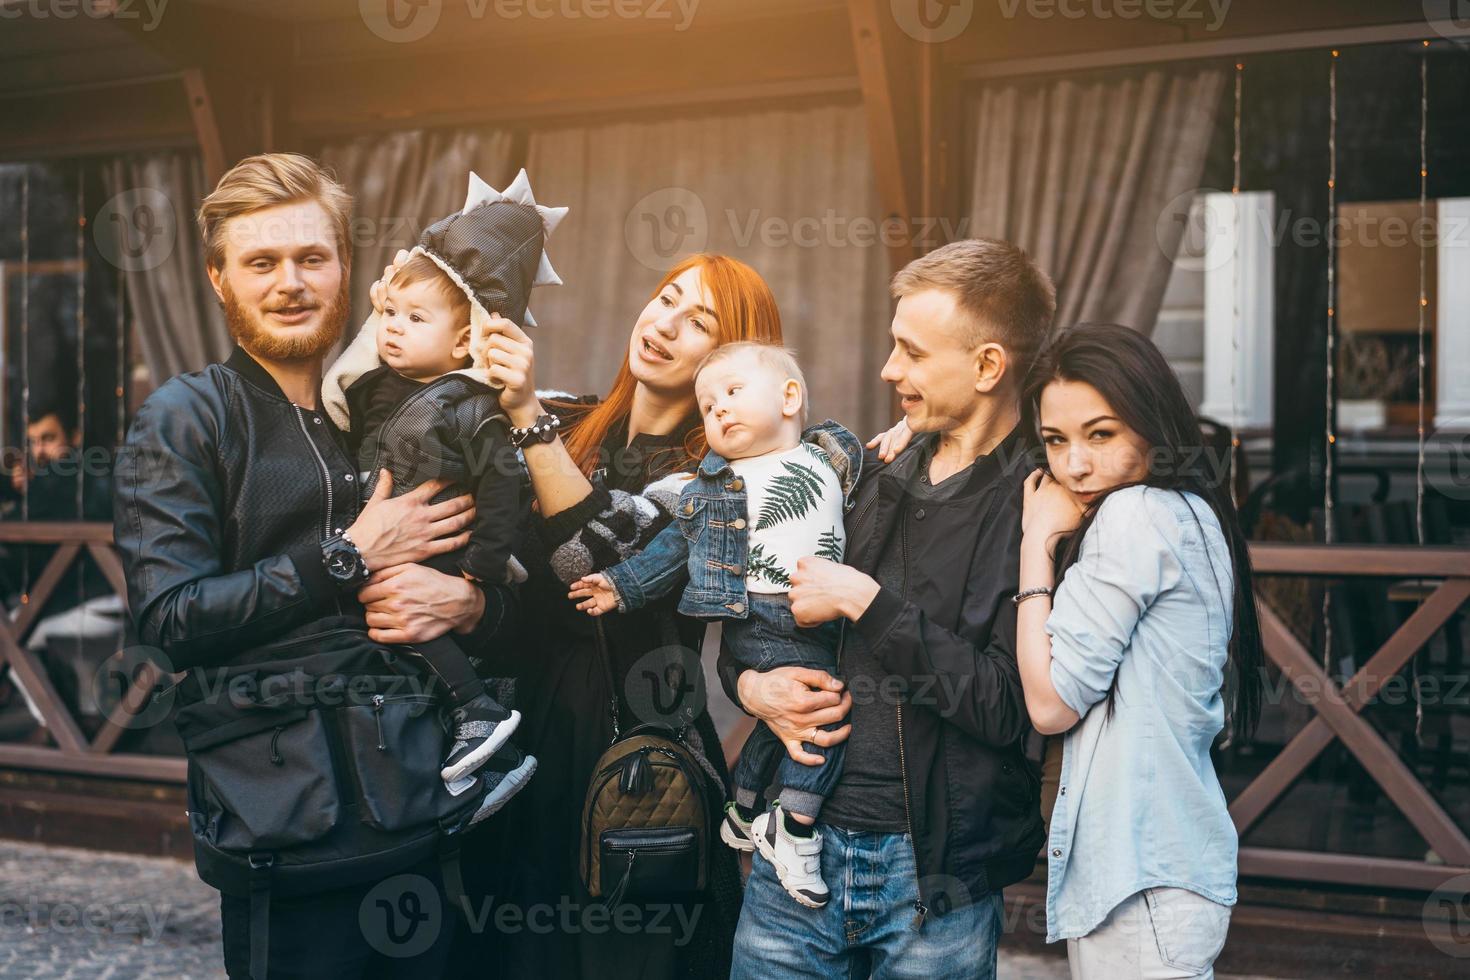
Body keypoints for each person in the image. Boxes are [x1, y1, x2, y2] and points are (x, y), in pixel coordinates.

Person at [114, 153, 519, 978]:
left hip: (443, 828)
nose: (289, 282)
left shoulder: (404, 404)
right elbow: (169, 622)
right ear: (220, 281)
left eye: (312, 258)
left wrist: (470, 608)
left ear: (347, 270)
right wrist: (347, 556)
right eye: (260, 262)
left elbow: (514, 600)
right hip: (292, 850)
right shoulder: (187, 417)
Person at [722, 238, 1054, 979]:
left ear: (987, 366)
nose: (888, 371)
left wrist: (868, 604)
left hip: (931, 881)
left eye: (911, 351)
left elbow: (1007, 705)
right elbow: (756, 618)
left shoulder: (1036, 505)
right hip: (794, 849)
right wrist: (752, 688)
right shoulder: (868, 470)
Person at [456, 252, 782, 979]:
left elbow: (591, 561)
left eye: (697, 322)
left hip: (637, 759)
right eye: (665, 299)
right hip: (514, 737)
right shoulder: (565, 419)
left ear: (731, 357)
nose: (665, 324)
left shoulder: (720, 480)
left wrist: (526, 421)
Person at [568, 342, 863, 909]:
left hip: (821, 618)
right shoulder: (719, 485)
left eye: (732, 393)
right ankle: (794, 829)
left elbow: (874, 462)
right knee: (823, 723)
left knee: (776, 726)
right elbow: (673, 550)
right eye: (707, 405)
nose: (719, 410)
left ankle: (744, 808)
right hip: (763, 617)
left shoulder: (830, 453)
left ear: (789, 397)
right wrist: (622, 586)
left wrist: (900, 436)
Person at [1012, 323, 1264, 979]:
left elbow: (1050, 703)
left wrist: (1034, 545)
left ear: (1152, 425)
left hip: (1140, 881)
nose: (1074, 465)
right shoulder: (1194, 513)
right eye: (1055, 441)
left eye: (1102, 434)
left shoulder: (1134, 517)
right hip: (1168, 870)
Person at [321, 169, 566, 795]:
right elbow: (339, 391)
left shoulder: (469, 405)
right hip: (384, 540)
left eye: (415, 318)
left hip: (447, 554)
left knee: (409, 618)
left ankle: (477, 711)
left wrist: (480, 569)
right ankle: (482, 761)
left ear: (464, 340)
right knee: (390, 636)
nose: (394, 327)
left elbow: (504, 482)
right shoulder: (381, 385)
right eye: (389, 313)